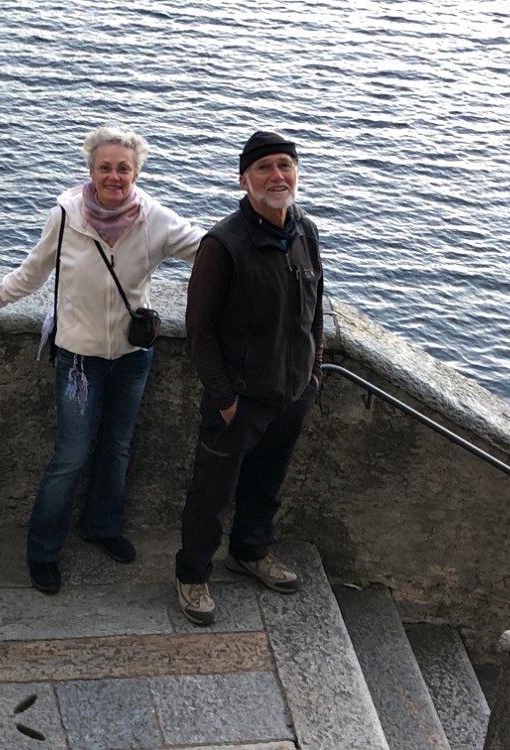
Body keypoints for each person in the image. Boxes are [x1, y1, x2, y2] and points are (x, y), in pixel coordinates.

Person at [0, 125, 203, 594]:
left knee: (118, 447)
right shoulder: (66, 214)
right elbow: (33, 271)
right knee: (71, 455)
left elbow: (212, 252)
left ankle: (102, 525)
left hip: (133, 355)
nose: (114, 176)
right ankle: (42, 551)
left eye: (123, 168)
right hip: (78, 359)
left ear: (137, 172)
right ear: (90, 170)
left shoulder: (155, 219)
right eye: (105, 167)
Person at [174, 131, 324, 626]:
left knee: (267, 484)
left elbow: (315, 311)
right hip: (239, 400)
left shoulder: (305, 232)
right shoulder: (224, 245)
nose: (277, 176)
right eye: (264, 168)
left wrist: (312, 374)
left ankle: (250, 552)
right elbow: (200, 331)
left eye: (285, 165)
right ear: (244, 180)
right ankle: (192, 575)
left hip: (291, 393)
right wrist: (225, 398)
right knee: (211, 493)